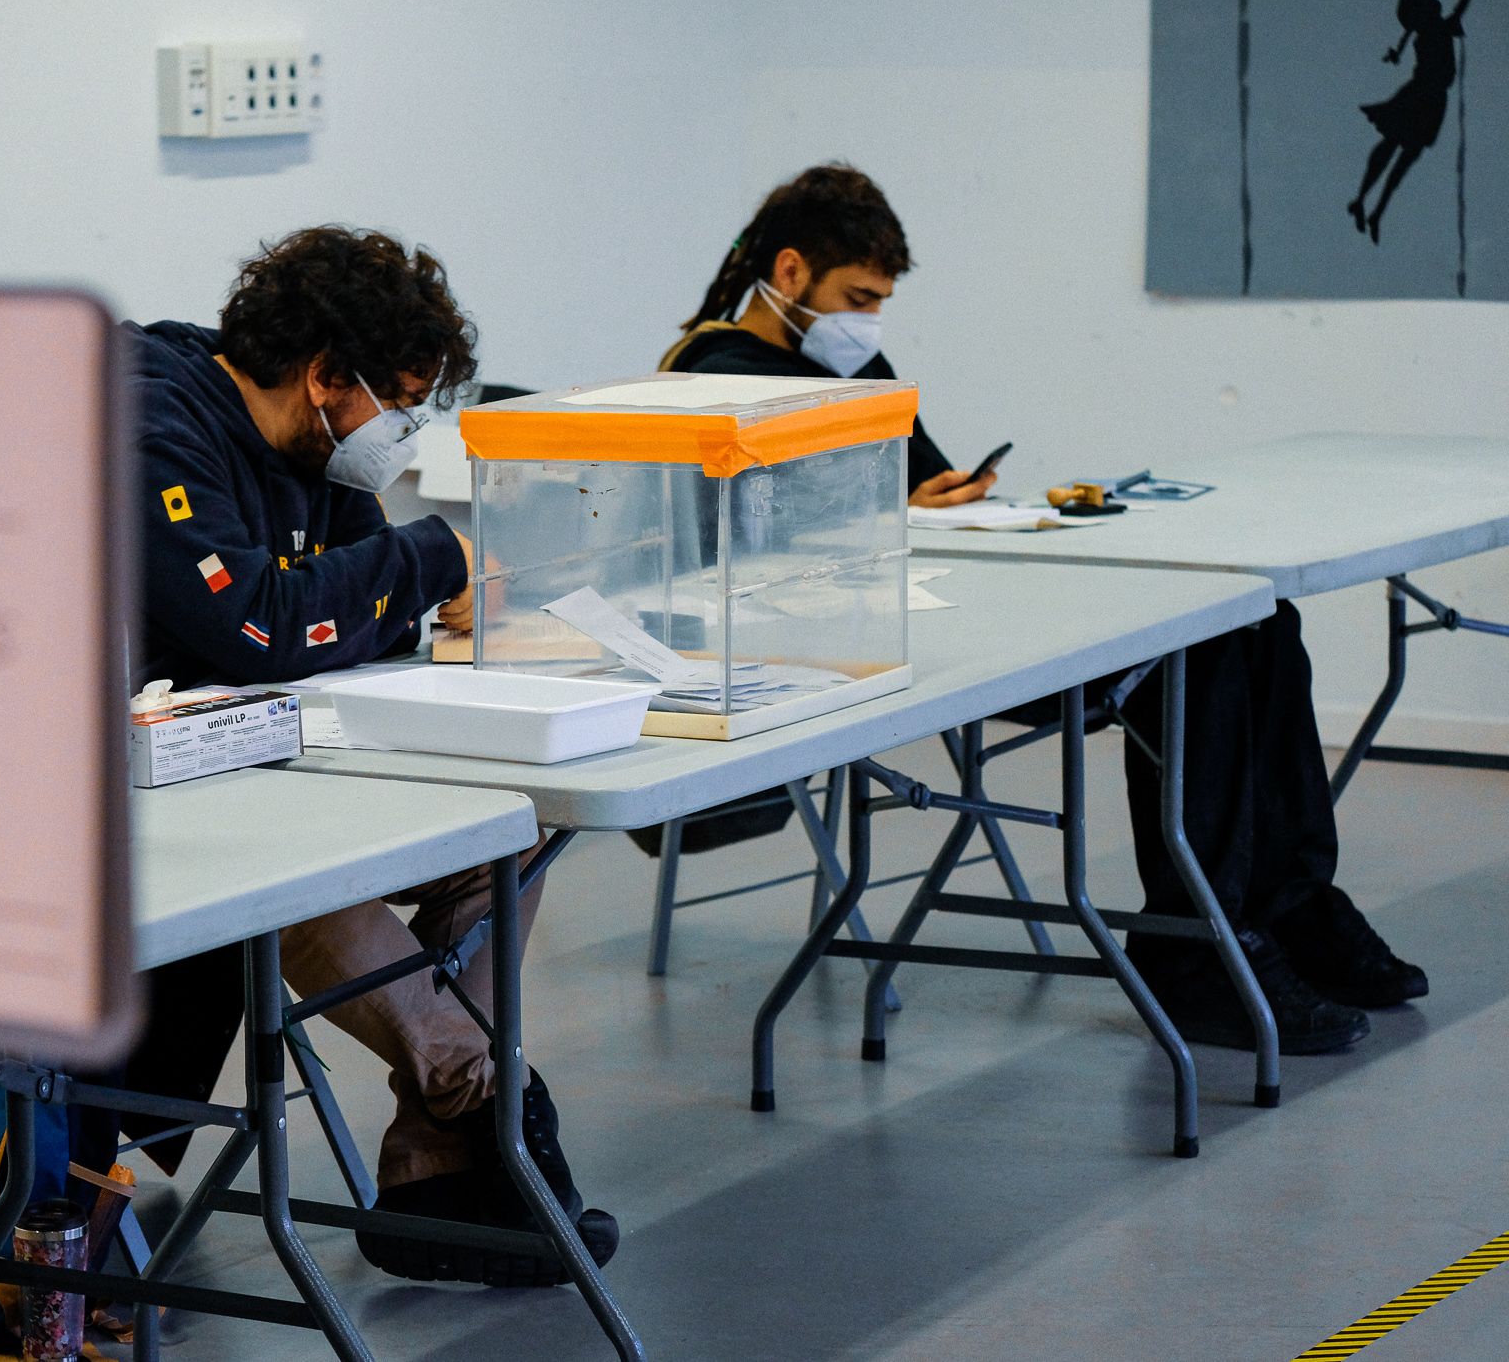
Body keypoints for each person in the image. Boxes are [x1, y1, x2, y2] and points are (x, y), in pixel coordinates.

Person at [663, 163, 1427, 1054]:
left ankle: (1292, 907)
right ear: (790, 273)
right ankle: (1199, 950)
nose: (867, 323)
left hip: (945, 594)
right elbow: (744, 552)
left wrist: (943, 499)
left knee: (1259, 619)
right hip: (869, 638)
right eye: (857, 296)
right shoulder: (709, 381)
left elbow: (916, 489)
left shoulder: (855, 363)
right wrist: (903, 514)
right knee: (1204, 650)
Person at [128, 224, 615, 1285]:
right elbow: (252, 625)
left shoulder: (313, 449)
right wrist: (428, 556)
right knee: (304, 876)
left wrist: (415, 592)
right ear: (322, 378)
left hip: (273, 761)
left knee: (512, 833)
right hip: (139, 801)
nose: (399, 435)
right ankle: (477, 1099)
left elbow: (355, 600)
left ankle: (435, 1158)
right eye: (394, 403)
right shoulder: (150, 415)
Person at [1349, 0, 1473, 244]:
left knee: (1402, 153)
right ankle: (1365, 203)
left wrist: (1397, 53)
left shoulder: (1428, 30)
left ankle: (1373, 209)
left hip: (1431, 100)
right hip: (1423, 96)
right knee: (1395, 147)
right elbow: (1459, 8)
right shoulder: (1435, 29)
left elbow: (1409, 35)